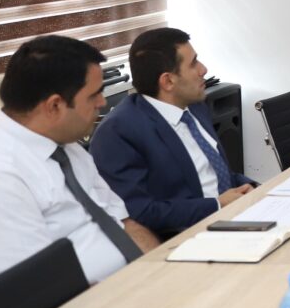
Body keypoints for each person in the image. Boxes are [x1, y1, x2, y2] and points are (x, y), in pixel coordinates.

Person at [0, 35, 159, 302]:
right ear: (55, 106)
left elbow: (123, 222)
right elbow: (34, 296)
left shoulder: (63, 145)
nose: (102, 103)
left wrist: (159, 270)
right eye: (94, 95)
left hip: (131, 287)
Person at [90, 27, 255, 238]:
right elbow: (140, 211)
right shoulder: (118, 132)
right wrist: (217, 205)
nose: (203, 69)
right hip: (190, 236)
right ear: (168, 81)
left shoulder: (194, 106)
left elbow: (217, 174)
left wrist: (255, 188)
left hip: (236, 216)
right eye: (193, 63)